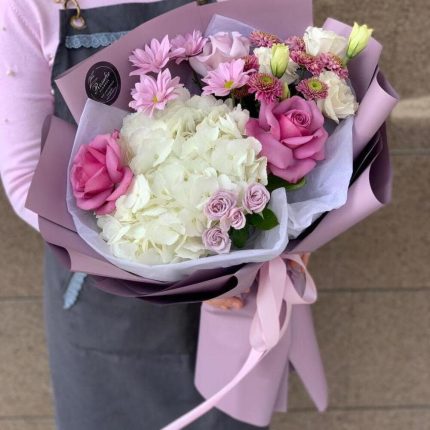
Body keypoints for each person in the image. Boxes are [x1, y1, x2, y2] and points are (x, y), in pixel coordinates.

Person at [0, 1, 309, 428]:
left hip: (241, 277)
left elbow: (283, 93)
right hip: (108, 292)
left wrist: (286, 236)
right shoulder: (28, 7)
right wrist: (182, 272)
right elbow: (26, 179)